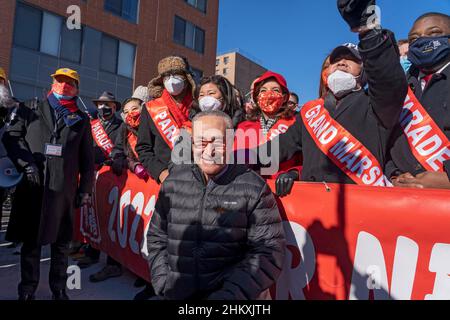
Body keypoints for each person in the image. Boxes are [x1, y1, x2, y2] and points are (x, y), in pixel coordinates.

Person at [253, 0, 407, 194]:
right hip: (315, 207)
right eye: (336, 60)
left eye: (351, 59)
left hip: (363, 208)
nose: (342, 63)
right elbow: (273, 152)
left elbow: (388, 81)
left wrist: (369, 30)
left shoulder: (376, 104)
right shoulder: (311, 112)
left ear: (364, 71)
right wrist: (228, 159)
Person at [147, 111, 285, 300]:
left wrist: (229, 296)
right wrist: (164, 282)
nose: (209, 150)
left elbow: (269, 251)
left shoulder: (254, 187)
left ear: (230, 142)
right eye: (201, 142)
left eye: (217, 142)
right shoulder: (172, 183)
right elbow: (157, 236)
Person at [5, 68, 94, 300]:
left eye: (70, 83)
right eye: (60, 81)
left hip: (63, 192)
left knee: (61, 245)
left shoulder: (82, 119)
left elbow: (87, 160)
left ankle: (59, 289)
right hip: (34, 187)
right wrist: (26, 163)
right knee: (31, 245)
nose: (64, 86)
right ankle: (27, 290)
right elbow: (11, 136)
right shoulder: (30, 108)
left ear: (77, 89)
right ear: (52, 83)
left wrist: (85, 190)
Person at [387, 12, 450, 189]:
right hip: (403, 200)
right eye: (414, 38)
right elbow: (385, 140)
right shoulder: (400, 89)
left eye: (434, 33)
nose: (422, 40)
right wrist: (394, 175)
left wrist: (446, 179)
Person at [235, 71, 303, 197]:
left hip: (286, 195)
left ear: (284, 97)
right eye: (263, 90)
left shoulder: (296, 124)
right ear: (256, 97)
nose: (269, 94)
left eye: (275, 90)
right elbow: (234, 162)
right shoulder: (243, 127)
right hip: (248, 193)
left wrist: (295, 173)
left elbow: (308, 162)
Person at [76, 92, 123, 271]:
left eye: (108, 105)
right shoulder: (91, 125)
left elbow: (120, 150)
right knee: (92, 215)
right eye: (100, 105)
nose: (103, 108)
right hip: (92, 175)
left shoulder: (121, 126)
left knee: (110, 218)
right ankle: (92, 252)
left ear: (114, 107)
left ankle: (113, 261)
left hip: (111, 177)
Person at [136, 56, 195, 184]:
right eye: (166, 76)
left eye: (176, 75)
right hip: (166, 180)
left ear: (187, 78)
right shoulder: (151, 108)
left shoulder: (198, 106)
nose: (171, 80)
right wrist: (160, 172)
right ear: (161, 80)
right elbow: (143, 148)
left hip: (195, 178)